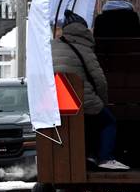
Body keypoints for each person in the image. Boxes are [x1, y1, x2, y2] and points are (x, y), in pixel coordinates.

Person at [51, 10, 129, 171]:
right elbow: (99, 79)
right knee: (108, 121)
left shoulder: (52, 46)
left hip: (59, 101)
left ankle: (87, 155)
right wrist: (103, 102)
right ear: (84, 29)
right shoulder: (84, 47)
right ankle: (105, 158)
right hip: (81, 98)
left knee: (83, 124)